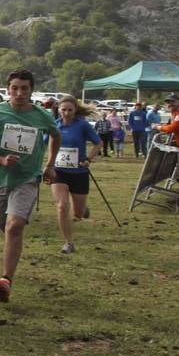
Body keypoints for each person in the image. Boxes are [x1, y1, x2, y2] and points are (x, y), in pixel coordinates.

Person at [0, 69, 61, 303]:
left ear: (31, 90)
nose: (20, 93)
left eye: (25, 88)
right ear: (8, 89)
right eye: (15, 88)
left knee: (15, 226)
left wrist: (50, 164)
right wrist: (1, 159)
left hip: (27, 179)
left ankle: (5, 280)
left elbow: (55, 134)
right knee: (5, 226)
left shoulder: (41, 116)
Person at [51, 97, 101, 255]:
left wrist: (88, 159)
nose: (66, 113)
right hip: (58, 172)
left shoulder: (82, 125)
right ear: (58, 109)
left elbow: (98, 143)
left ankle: (83, 209)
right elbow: (43, 142)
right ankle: (68, 243)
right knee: (62, 206)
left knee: (78, 214)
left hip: (79, 172)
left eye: (69, 110)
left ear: (75, 110)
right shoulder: (54, 125)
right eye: (63, 109)